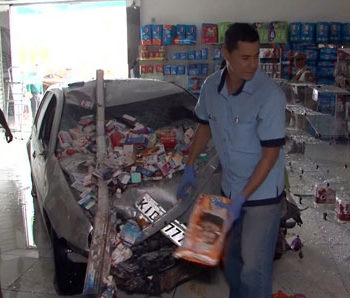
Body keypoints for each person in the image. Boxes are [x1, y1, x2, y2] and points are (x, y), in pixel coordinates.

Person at [177, 23, 286, 298]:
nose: (252, 65)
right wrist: (190, 166)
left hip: (261, 195)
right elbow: (204, 125)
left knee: (254, 267)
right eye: (245, 57)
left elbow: (271, 154)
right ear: (226, 53)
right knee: (232, 259)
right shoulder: (211, 86)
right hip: (230, 187)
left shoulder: (270, 95)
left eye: (256, 56)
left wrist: (243, 198)